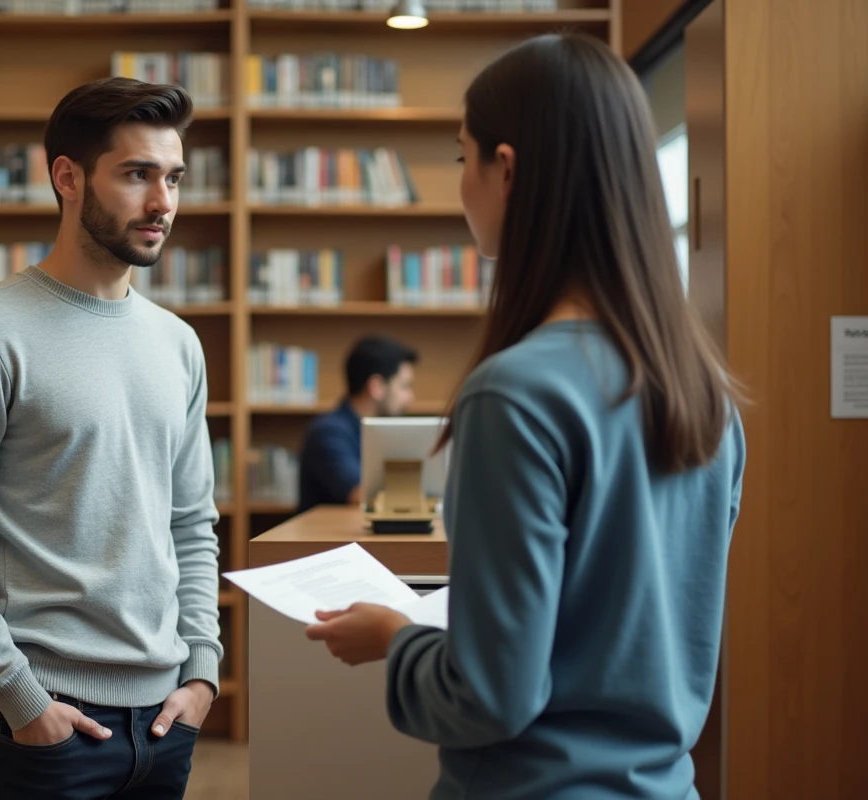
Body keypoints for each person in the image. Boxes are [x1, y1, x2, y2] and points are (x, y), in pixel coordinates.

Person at [304, 33, 746, 800]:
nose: (460, 183)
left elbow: (490, 696)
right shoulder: (703, 390)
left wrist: (396, 638)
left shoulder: (514, 394)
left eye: (459, 156)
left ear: (504, 170)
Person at [0, 77, 222, 800]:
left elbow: (191, 523)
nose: (163, 202)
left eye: (173, 178)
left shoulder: (178, 344)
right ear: (67, 178)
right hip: (41, 726)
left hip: (165, 722)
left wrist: (201, 671)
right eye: (137, 175)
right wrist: (21, 699)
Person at [295, 335, 418, 514]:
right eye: (404, 386)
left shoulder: (375, 431)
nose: (410, 398)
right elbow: (361, 495)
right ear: (376, 387)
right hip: (331, 540)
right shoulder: (328, 432)